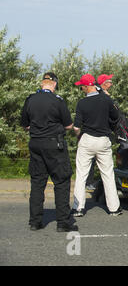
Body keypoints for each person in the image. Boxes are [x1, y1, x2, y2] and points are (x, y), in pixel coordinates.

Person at [20, 72, 78, 232]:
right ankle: (63, 222)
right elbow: (68, 125)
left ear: (42, 83)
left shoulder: (30, 99)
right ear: (54, 85)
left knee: (37, 182)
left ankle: (35, 221)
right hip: (54, 144)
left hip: (36, 143)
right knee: (61, 181)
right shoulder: (57, 100)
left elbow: (24, 124)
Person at [72, 73, 122, 217]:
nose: (81, 88)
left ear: (88, 87)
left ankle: (78, 207)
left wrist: (79, 137)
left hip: (87, 139)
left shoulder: (82, 103)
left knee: (81, 174)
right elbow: (116, 116)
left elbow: (76, 127)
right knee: (107, 174)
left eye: (82, 86)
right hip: (103, 139)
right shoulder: (106, 99)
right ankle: (114, 208)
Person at [85, 73, 115, 191]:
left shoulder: (99, 93)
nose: (111, 84)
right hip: (98, 132)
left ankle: (90, 181)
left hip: (95, 131)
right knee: (94, 159)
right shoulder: (102, 96)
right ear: (104, 83)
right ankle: (90, 182)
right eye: (110, 82)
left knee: (93, 159)